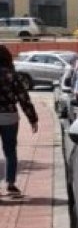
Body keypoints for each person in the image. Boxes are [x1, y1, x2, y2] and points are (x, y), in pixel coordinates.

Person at [0, 45, 39, 198]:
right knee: (10, 151)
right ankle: (10, 184)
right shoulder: (12, 76)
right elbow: (23, 98)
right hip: (9, 116)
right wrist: (32, 118)